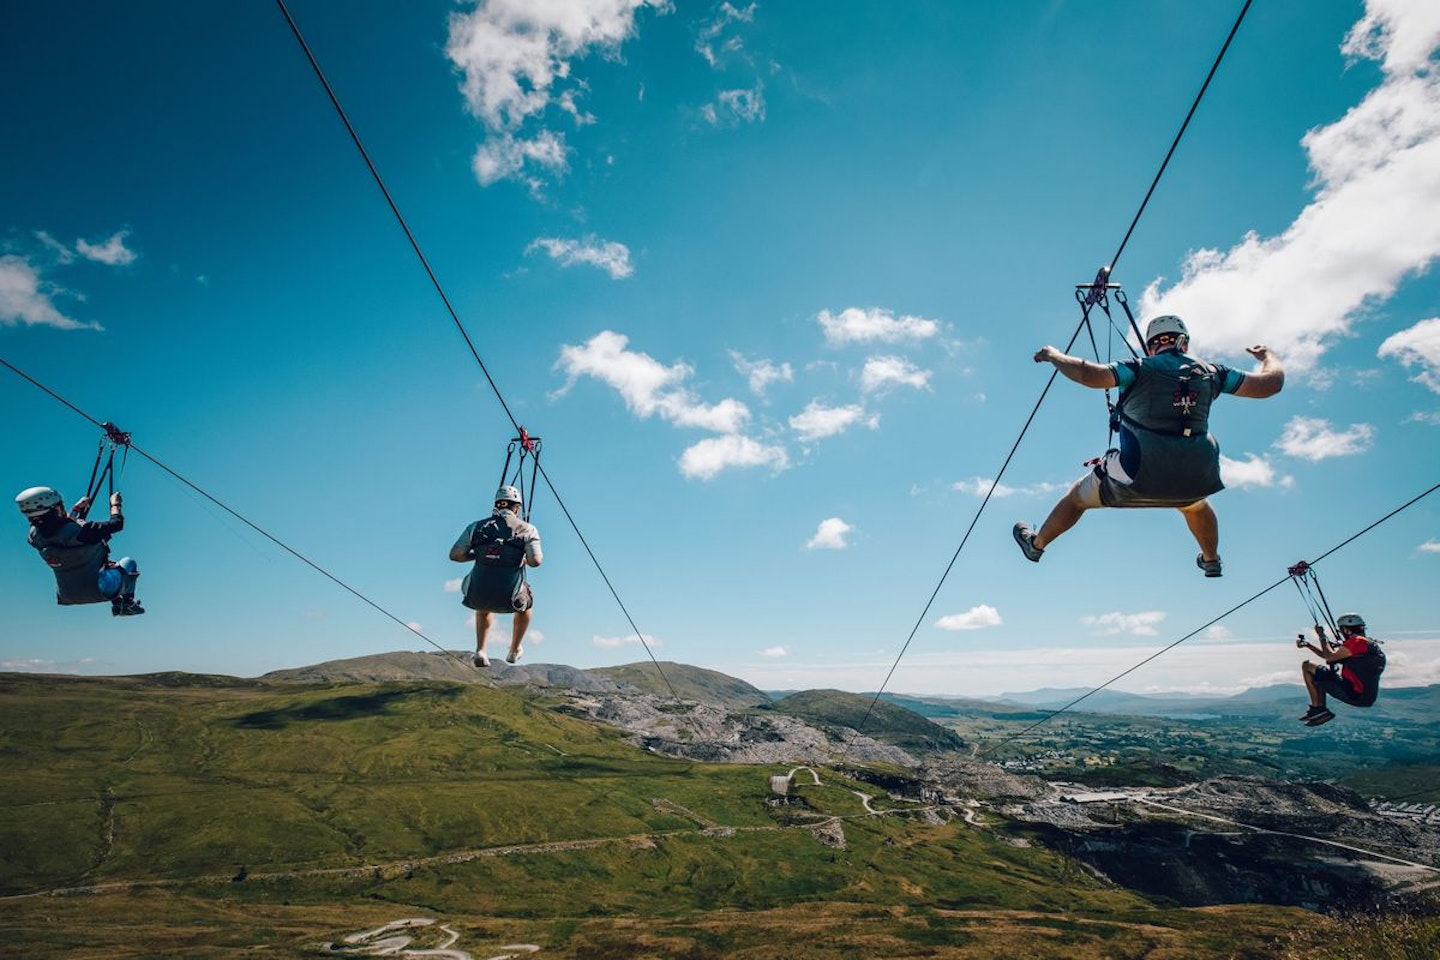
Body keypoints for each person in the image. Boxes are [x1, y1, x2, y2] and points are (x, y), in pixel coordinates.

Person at [1014, 314, 1284, 576]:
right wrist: (1268, 356)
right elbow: (1270, 384)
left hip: (1136, 475)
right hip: (1195, 479)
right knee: (1197, 506)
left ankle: (1036, 546)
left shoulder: (1138, 368)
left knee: (1076, 499)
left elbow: (1089, 375)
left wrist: (1053, 355)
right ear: (1185, 342)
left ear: (1151, 345)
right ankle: (1211, 560)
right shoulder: (1214, 373)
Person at [449, 485, 542, 668]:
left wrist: (479, 555)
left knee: (484, 600)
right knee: (526, 606)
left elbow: (455, 555)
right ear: (516, 507)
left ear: (497, 505)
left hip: (476, 594)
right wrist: (521, 557)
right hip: (510, 598)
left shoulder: (476, 527)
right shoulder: (527, 529)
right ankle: (514, 649)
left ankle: (481, 650)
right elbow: (536, 561)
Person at [16, 486, 144, 616]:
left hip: (68, 595)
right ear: (57, 509)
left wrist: (76, 509)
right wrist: (115, 504)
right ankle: (126, 603)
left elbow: (57, 531)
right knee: (129, 562)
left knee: (101, 569)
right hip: (103, 590)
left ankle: (118, 603)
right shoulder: (83, 532)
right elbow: (117, 523)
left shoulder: (34, 538)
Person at [1296, 613, 1385, 726]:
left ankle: (1318, 708)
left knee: (1307, 666)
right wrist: (1309, 645)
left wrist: (1322, 636)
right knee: (1319, 673)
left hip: (1354, 693)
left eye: (1342, 631)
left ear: (1347, 630)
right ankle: (1319, 709)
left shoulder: (1357, 641)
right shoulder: (1368, 644)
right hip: (1364, 696)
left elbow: (1329, 657)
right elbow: (1328, 655)